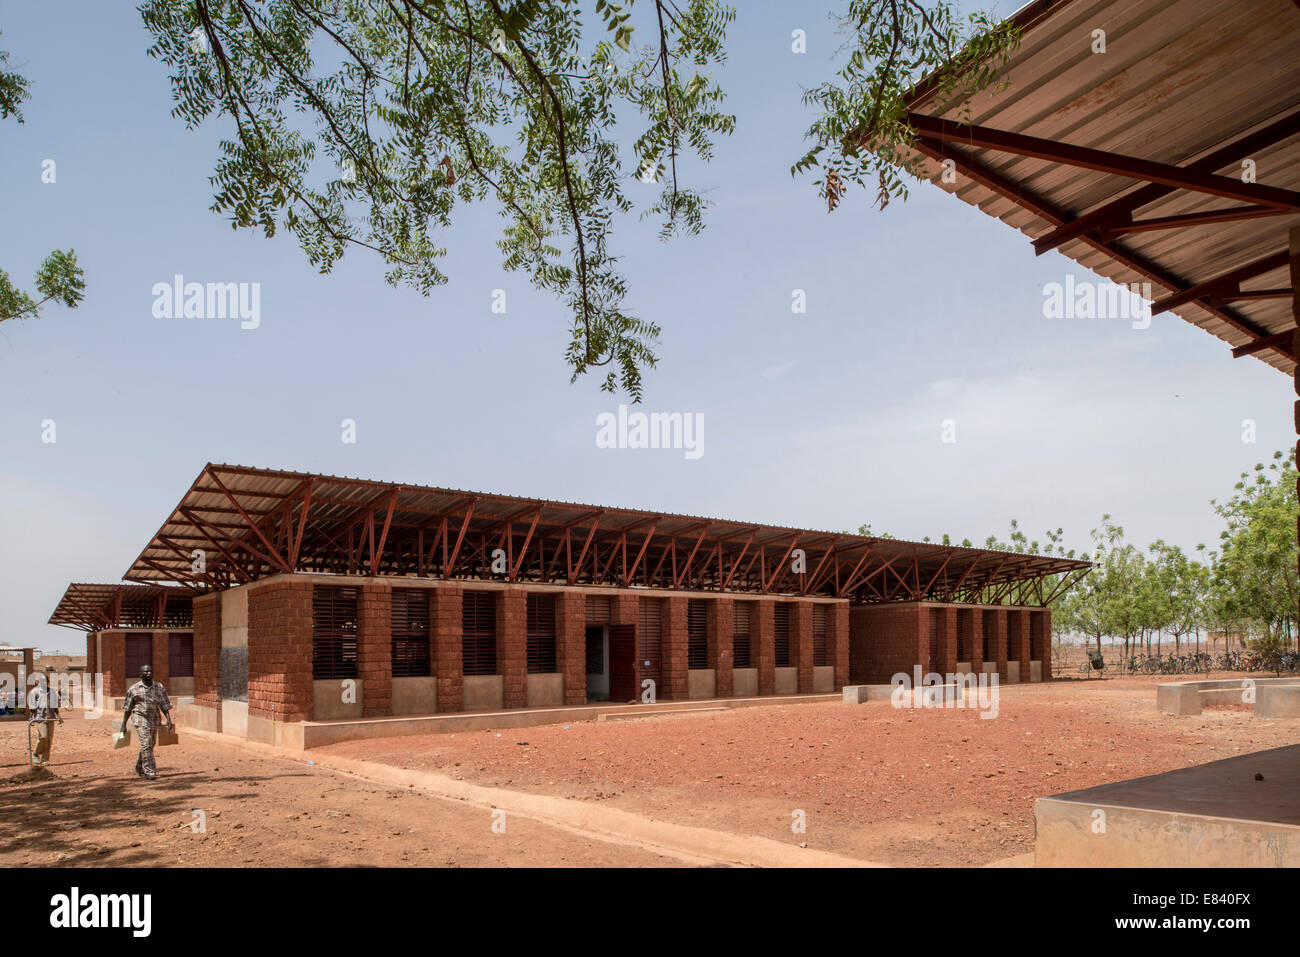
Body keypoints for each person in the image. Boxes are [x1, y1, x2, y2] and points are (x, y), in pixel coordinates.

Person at [120, 665, 173, 780]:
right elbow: (128, 708)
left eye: (150, 671)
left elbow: (164, 704)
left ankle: (139, 767)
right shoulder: (134, 689)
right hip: (140, 718)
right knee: (146, 742)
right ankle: (150, 771)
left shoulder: (159, 687)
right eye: (146, 671)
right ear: (140, 674)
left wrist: (168, 719)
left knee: (150, 744)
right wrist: (123, 724)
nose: (149, 673)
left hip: (154, 718)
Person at [29, 671, 63, 765]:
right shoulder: (35, 692)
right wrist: (31, 718)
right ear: (39, 682)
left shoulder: (52, 691)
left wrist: (58, 715)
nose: (44, 683)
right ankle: (35, 754)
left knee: (49, 739)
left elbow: (55, 706)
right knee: (43, 736)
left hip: (50, 717)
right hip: (40, 717)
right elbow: (32, 707)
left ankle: (45, 759)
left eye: (46, 681)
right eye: (42, 681)